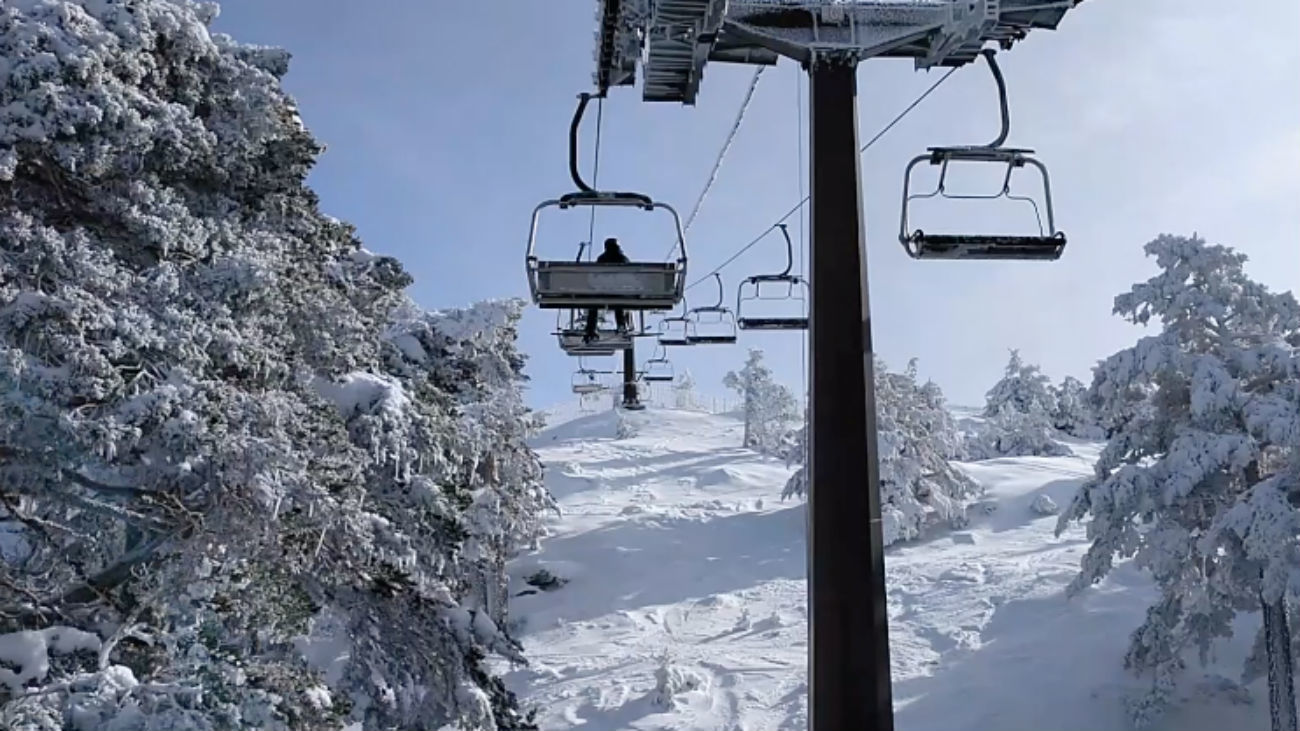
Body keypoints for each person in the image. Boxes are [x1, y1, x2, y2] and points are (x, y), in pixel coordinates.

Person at [584, 238, 630, 342]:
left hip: (603, 293)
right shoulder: (623, 258)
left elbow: (595, 276)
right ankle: (621, 324)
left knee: (593, 305)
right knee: (619, 302)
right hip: (621, 294)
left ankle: (591, 329)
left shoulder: (602, 259)